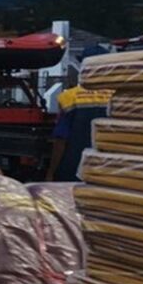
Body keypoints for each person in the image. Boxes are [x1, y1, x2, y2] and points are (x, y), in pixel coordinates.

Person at [46, 46, 114, 182]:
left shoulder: (69, 97)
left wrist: (51, 172)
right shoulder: (117, 97)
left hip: (73, 168)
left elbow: (61, 141)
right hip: (108, 169)